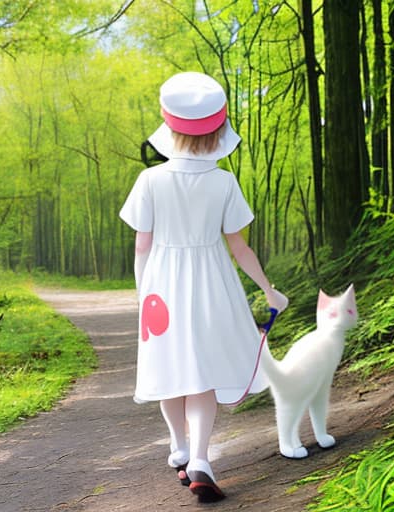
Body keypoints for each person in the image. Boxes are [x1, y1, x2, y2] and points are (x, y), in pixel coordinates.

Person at [119, 71, 288, 503]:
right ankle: (199, 458)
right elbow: (240, 249)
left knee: (170, 368)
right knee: (203, 376)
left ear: (168, 127)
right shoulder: (224, 182)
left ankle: (178, 447)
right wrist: (269, 291)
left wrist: (143, 295)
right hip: (213, 284)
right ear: (218, 130)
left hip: (162, 287)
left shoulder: (150, 182)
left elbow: (142, 246)